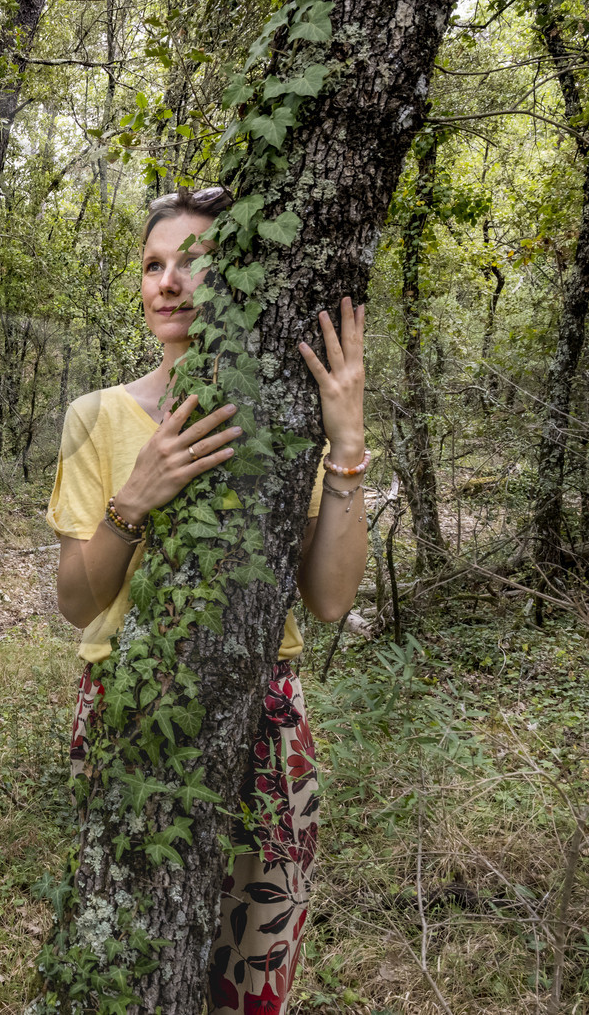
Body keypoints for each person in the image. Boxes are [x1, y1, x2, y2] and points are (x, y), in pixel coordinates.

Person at [47, 186, 367, 1013]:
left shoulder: (280, 412)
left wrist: (347, 443)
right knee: (131, 958)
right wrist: (134, 498)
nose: (169, 281)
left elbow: (329, 599)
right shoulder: (97, 416)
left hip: (266, 713)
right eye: (154, 265)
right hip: (128, 706)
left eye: (193, 260)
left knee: (254, 972)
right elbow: (78, 603)